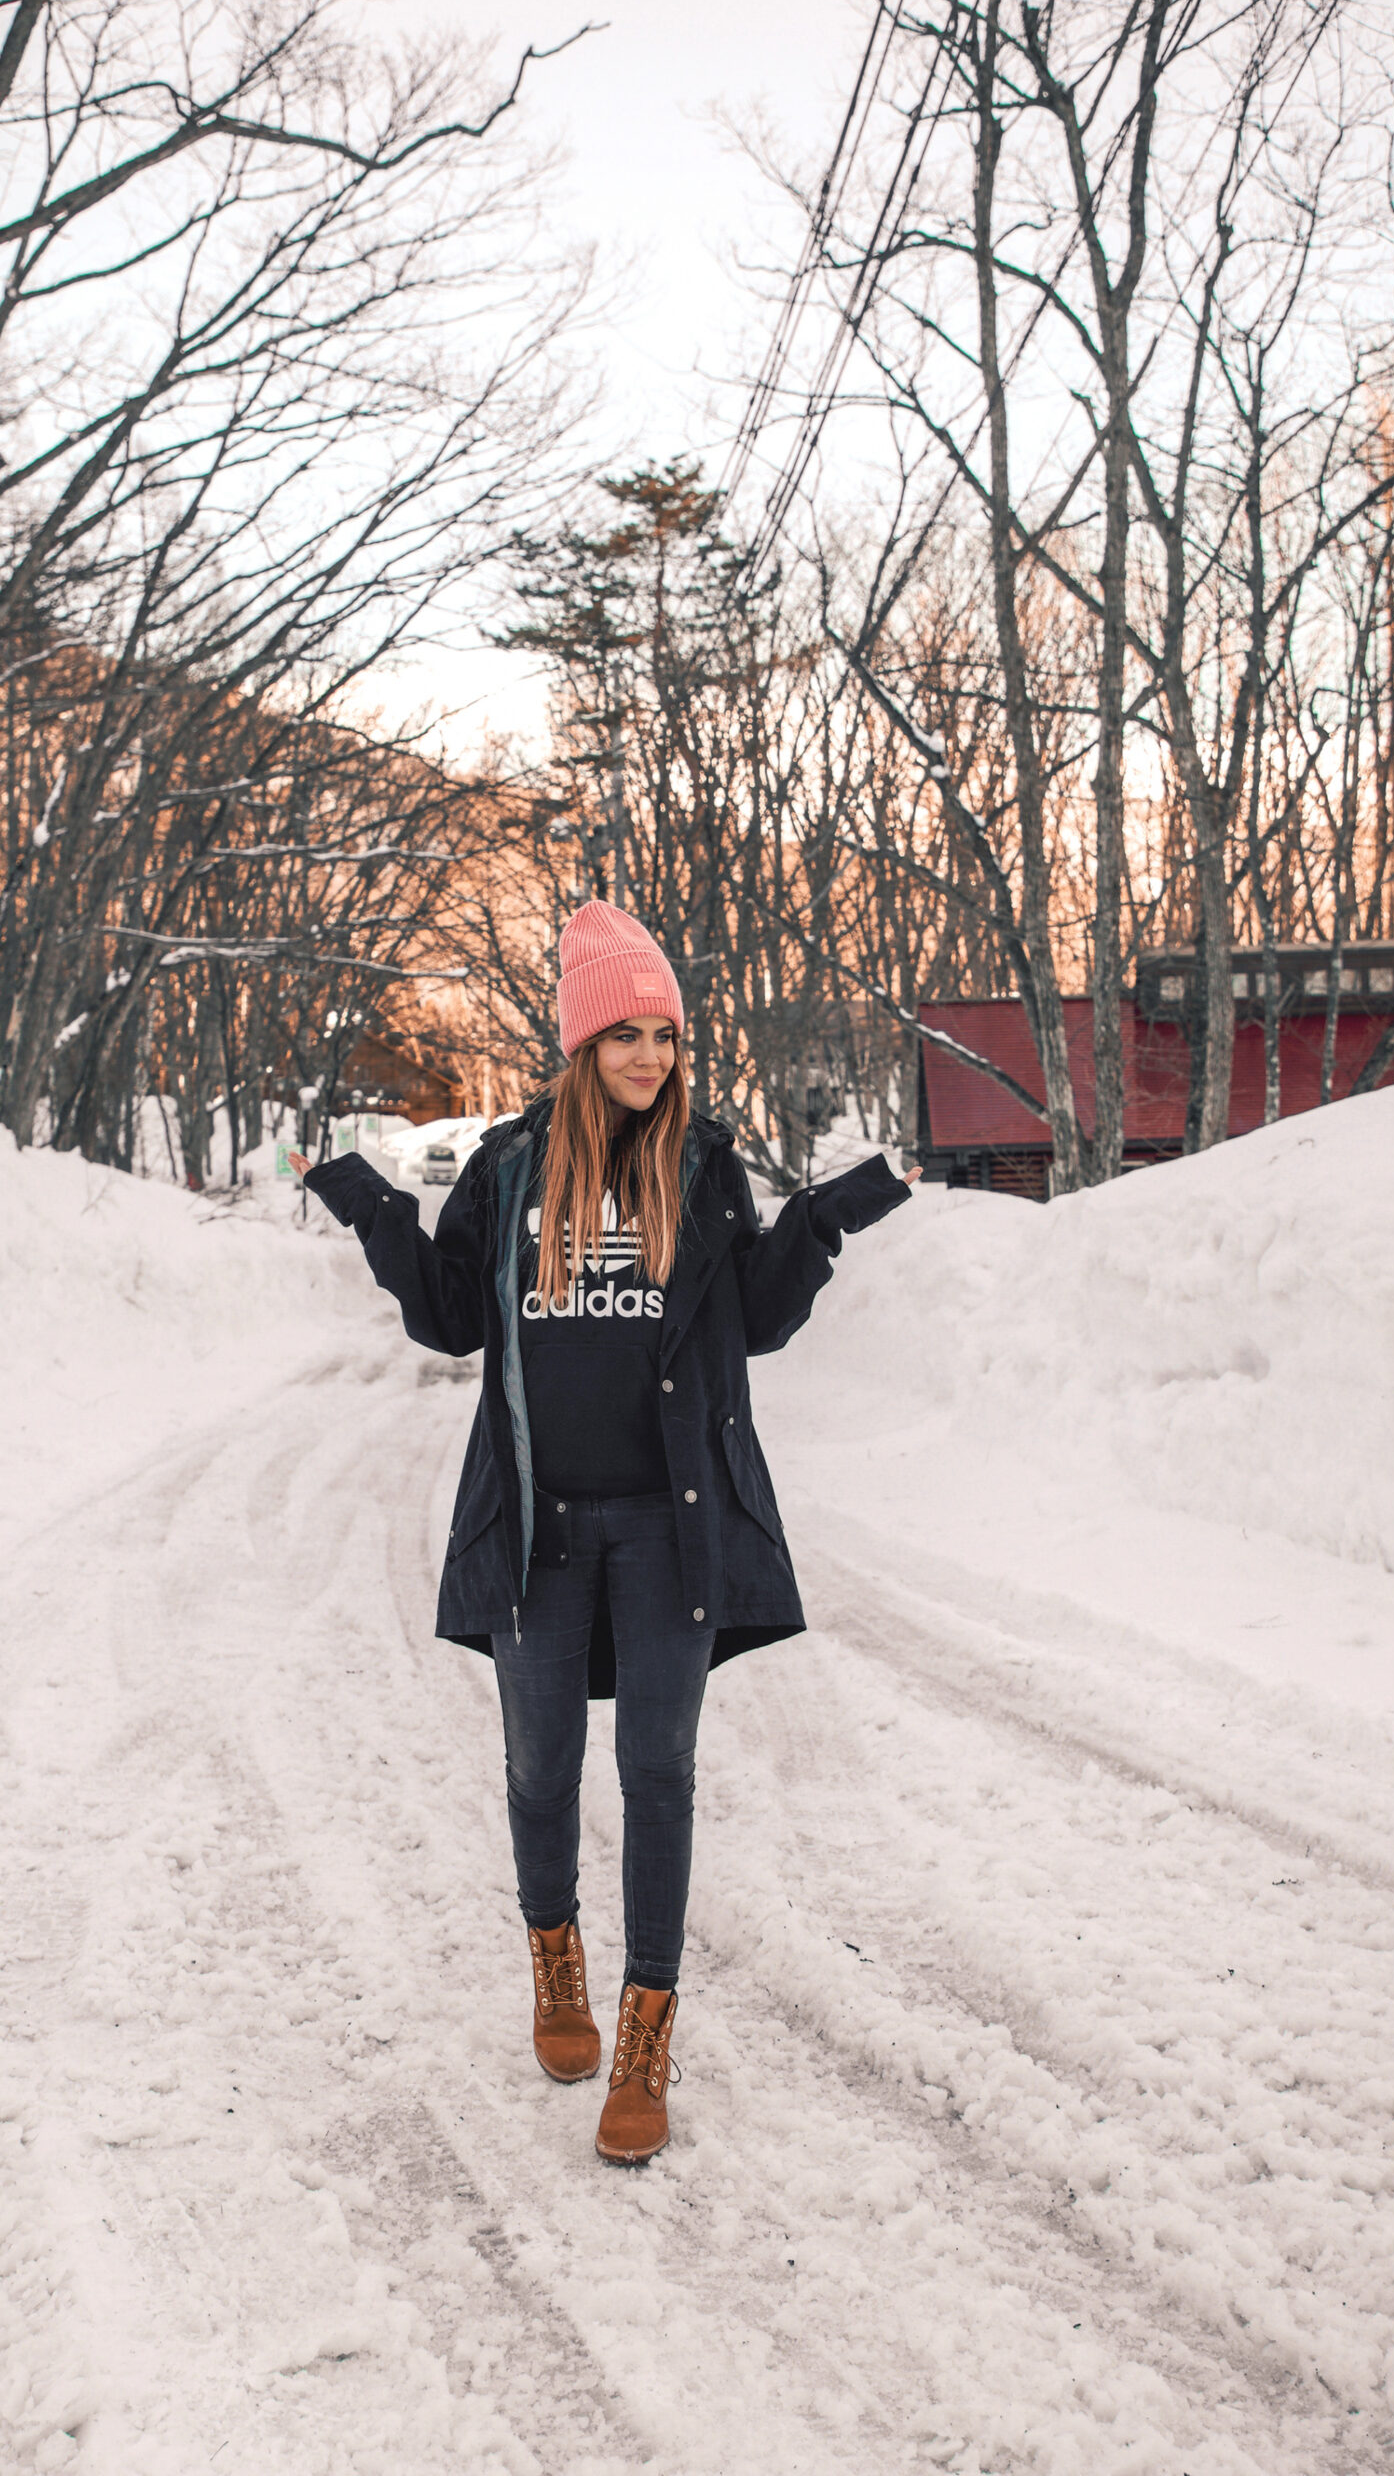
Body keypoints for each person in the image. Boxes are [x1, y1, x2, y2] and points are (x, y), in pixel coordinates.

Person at [293, 901, 918, 2164]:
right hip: (538, 1528)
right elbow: (454, 1316)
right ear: (582, 1043)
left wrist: (825, 1220)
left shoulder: (700, 1165)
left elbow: (749, 1319)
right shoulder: (515, 1169)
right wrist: (371, 1210)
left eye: (667, 1035)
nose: (650, 1056)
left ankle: (647, 2029)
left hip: (668, 1529)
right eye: (626, 1033)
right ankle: (555, 1960)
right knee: (538, 1772)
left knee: (660, 1776)